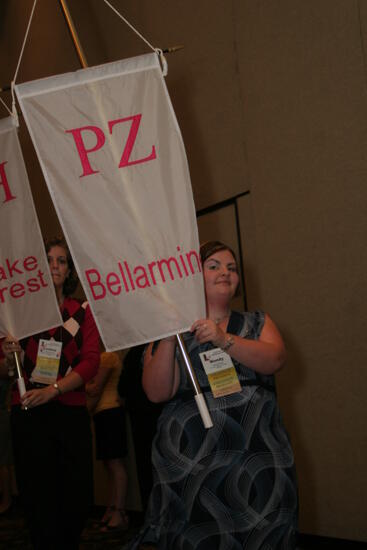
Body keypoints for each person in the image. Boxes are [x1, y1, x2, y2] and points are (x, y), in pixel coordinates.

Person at [127, 241, 298, 549]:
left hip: (255, 456)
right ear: (192, 277)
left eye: (231, 267)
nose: (225, 272)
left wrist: (224, 339)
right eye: (214, 266)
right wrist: (168, 336)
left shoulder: (257, 322)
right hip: (191, 462)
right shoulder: (173, 333)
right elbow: (155, 392)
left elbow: (275, 359)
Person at [0, 236, 100, 550]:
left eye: (61, 261)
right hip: (28, 413)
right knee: (37, 496)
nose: (55, 266)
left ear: (69, 270)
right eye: (49, 259)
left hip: (69, 412)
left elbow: (91, 362)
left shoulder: (82, 312)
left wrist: (54, 390)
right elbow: (3, 369)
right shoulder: (16, 318)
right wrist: (8, 356)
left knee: (77, 493)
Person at [86, 350, 129, 532]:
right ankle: (111, 511)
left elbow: (96, 387)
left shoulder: (107, 356)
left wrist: (81, 382)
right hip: (104, 412)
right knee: (109, 465)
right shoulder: (103, 356)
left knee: (115, 464)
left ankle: (119, 512)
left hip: (110, 411)